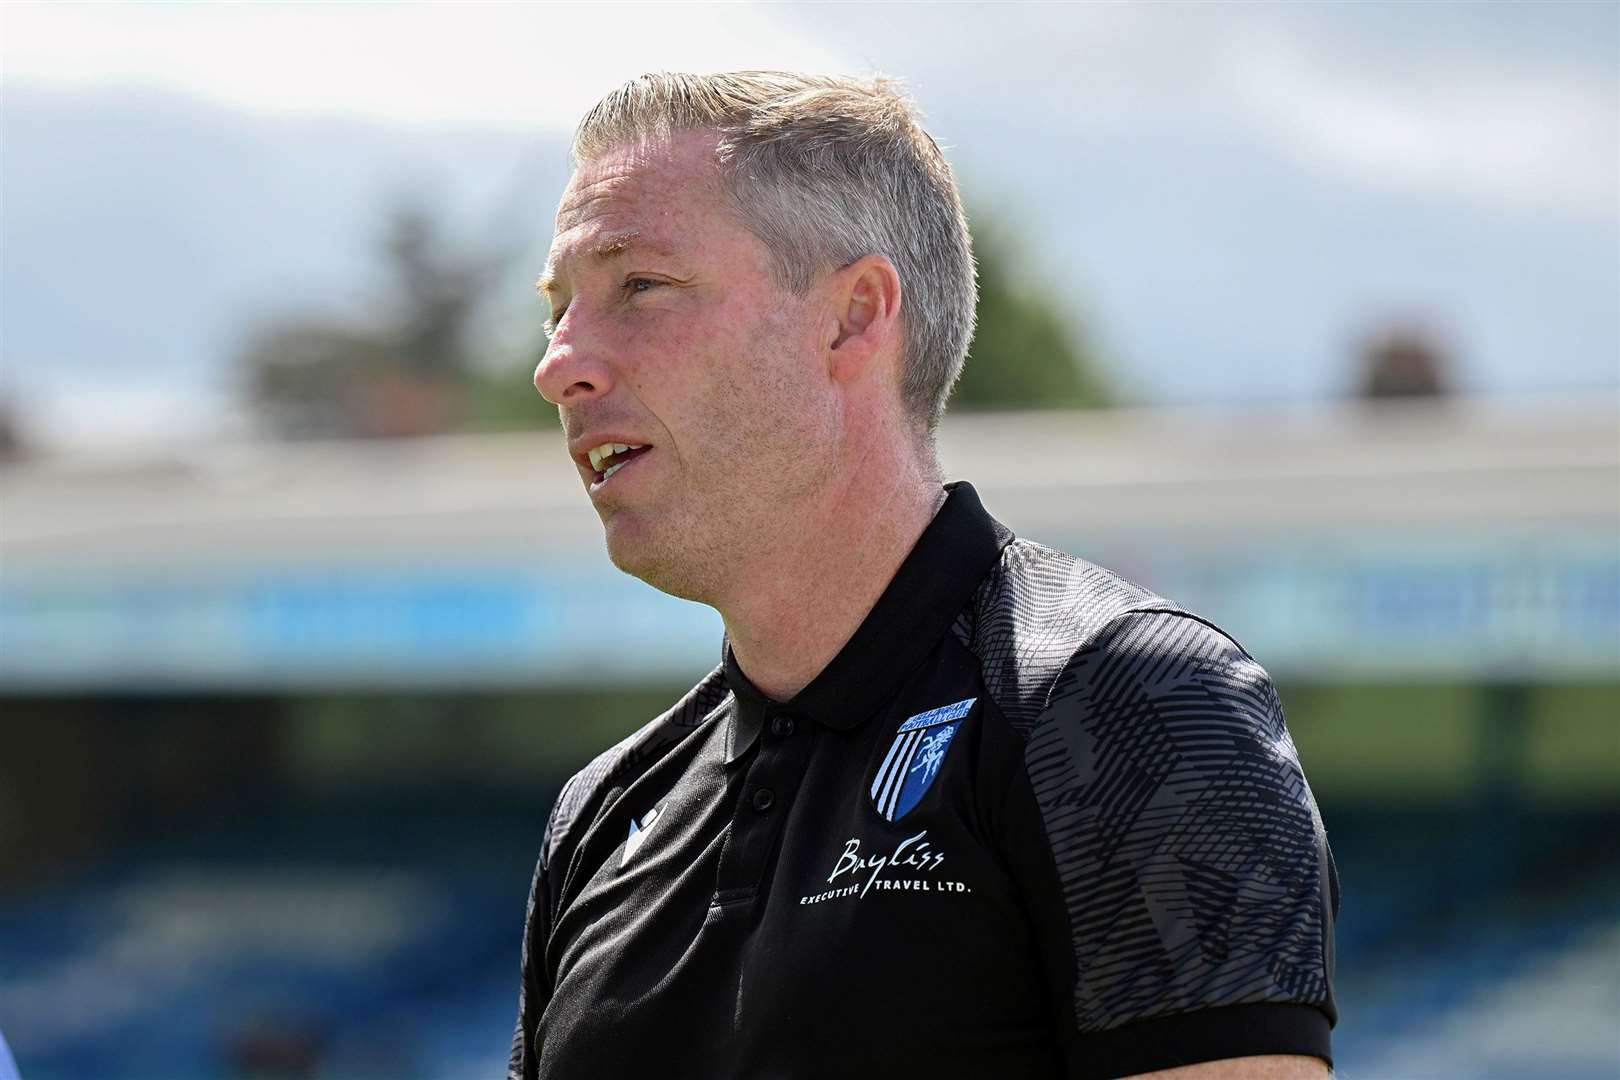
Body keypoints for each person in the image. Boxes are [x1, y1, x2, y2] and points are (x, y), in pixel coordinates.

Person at [511, 71, 1338, 1080]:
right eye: (560, 309)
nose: (559, 365)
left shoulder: (1128, 699)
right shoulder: (601, 814)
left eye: (638, 286)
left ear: (853, 318)